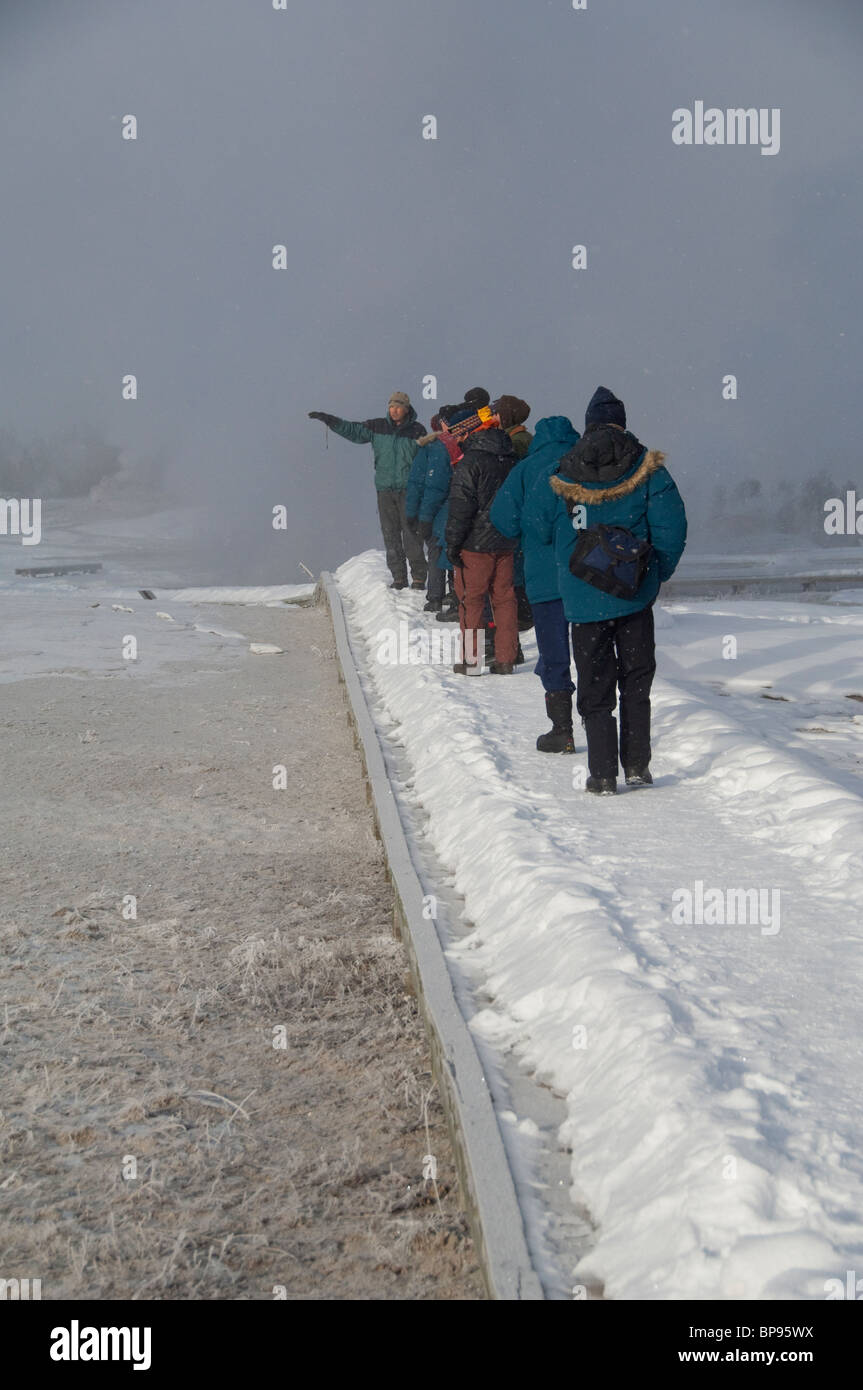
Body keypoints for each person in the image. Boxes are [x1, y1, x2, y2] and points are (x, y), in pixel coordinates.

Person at [547, 387, 687, 793]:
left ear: (589, 423)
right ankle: (638, 766)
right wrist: (654, 573)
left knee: (594, 683)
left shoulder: (563, 468)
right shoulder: (648, 469)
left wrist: (571, 575)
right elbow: (672, 529)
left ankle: (603, 773)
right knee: (636, 680)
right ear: (622, 423)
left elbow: (548, 531)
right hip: (634, 595)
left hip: (583, 596)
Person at [490, 414, 581, 750]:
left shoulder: (526, 470)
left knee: (554, 650)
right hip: (586, 576)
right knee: (591, 649)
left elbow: (504, 520)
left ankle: (562, 728)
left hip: (544, 579)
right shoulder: (584, 462)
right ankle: (596, 717)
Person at [308, 391, 427, 589]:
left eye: (398, 406)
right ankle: (398, 577)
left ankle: (419, 578)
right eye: (391, 406)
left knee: (412, 533)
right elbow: (353, 430)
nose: (394, 410)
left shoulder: (417, 431)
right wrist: (330, 420)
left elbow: (426, 457)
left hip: (409, 490)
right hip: (384, 490)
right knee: (390, 534)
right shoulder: (377, 426)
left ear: (406, 409)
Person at [445, 408, 519, 675]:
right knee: (504, 599)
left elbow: (461, 508)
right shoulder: (511, 457)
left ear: (466, 432)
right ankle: (506, 659)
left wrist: (452, 544)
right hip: (507, 540)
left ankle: (471, 661)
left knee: (471, 601)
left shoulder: (469, 463)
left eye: (457, 435)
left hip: (475, 544)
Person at [406, 411, 450, 611]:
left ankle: (435, 596)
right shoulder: (457, 447)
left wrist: (416, 515)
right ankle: (454, 595)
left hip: (438, 512)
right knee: (450, 551)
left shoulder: (432, 449)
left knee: (436, 550)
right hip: (455, 508)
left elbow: (421, 485)